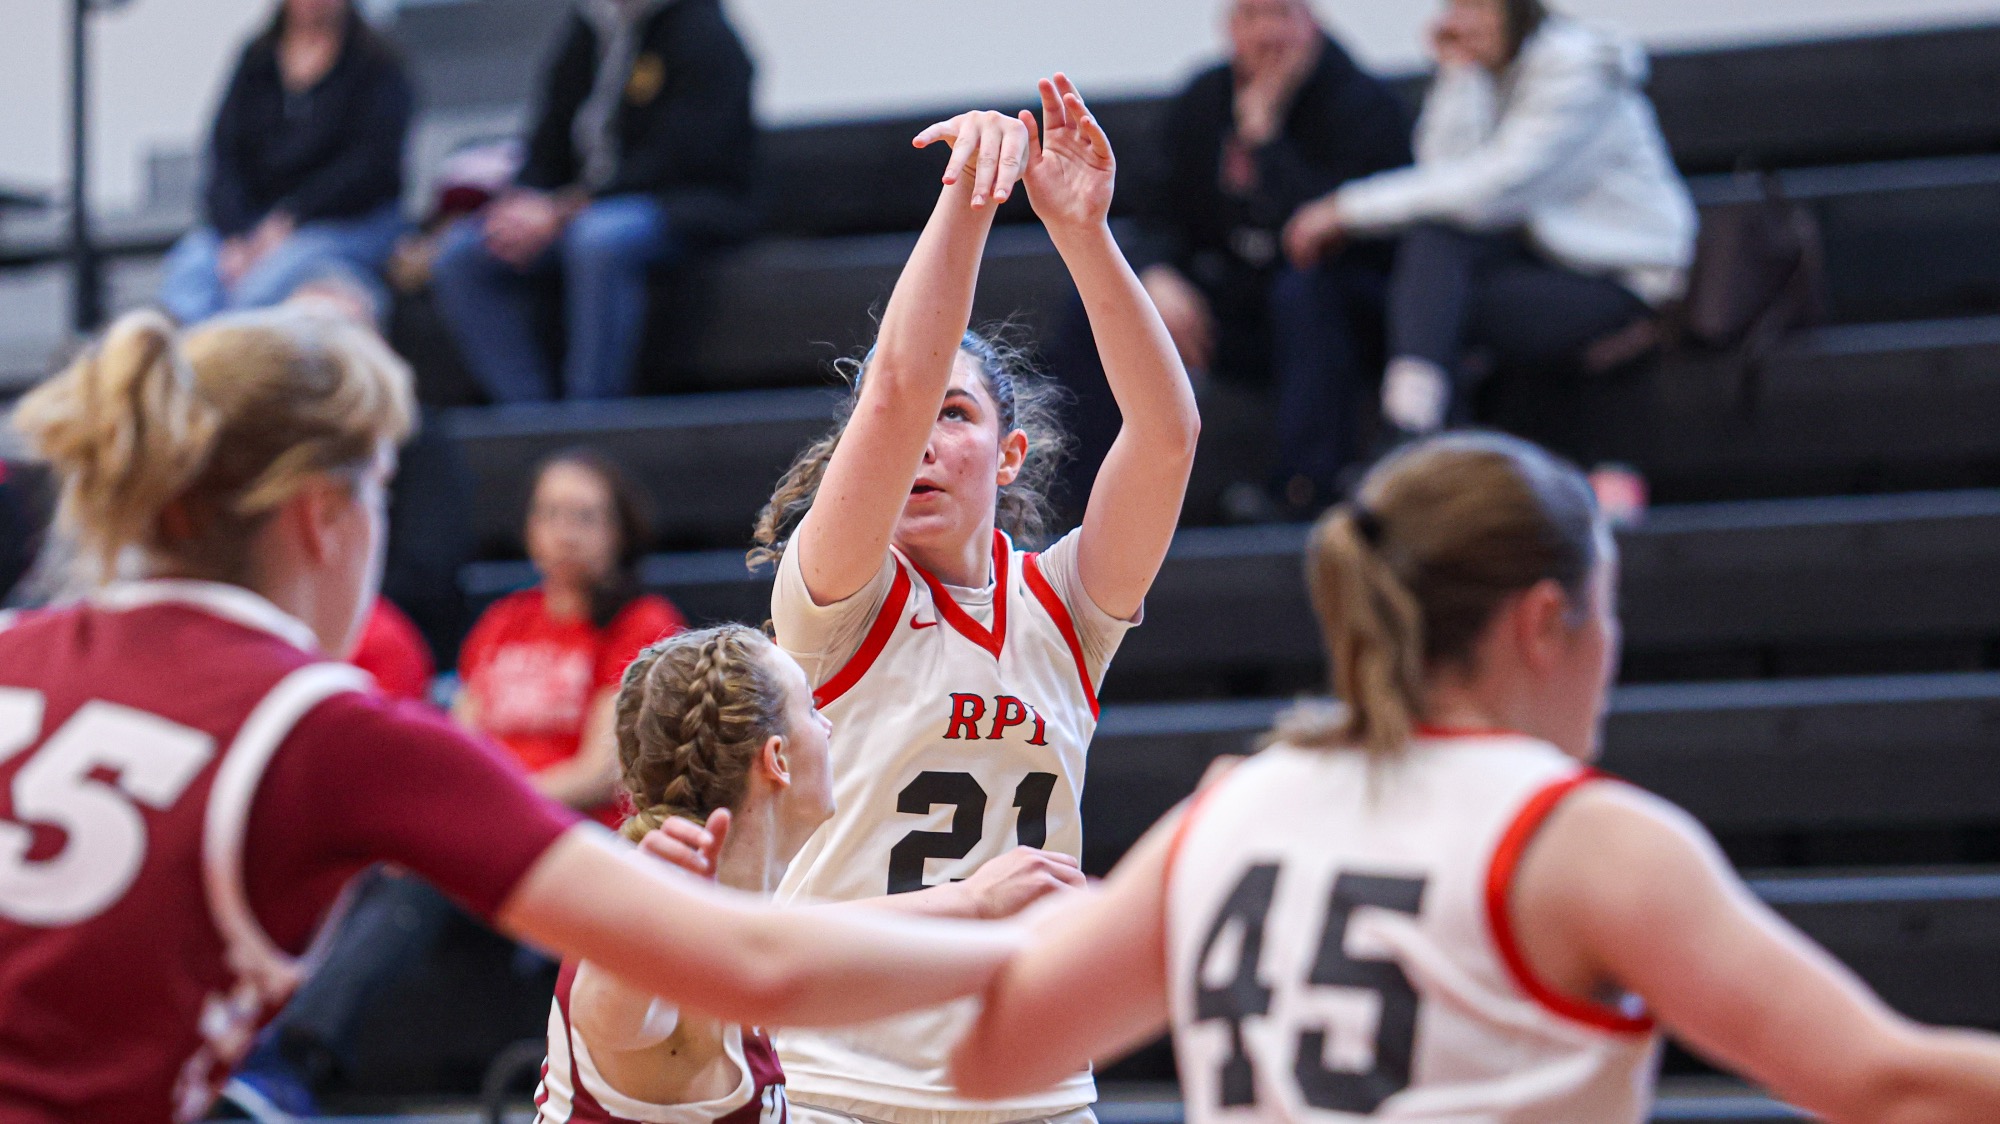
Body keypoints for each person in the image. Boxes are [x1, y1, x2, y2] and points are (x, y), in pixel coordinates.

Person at [0, 306, 1025, 1124]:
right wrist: (1069, 940)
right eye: (385, 493)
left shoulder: (14, 648)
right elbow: (751, 959)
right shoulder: (319, 727)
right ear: (326, 514)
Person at [949, 431, 2000, 1122]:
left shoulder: (1230, 805)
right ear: (1545, 621)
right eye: (1606, 607)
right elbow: (1883, 1081)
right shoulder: (1581, 840)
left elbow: (995, 1055)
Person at [748, 76, 1200, 1124]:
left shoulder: (1065, 605)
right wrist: (969, 193)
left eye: (958, 415)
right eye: (903, 419)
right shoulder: (835, 596)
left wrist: (1082, 231)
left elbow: (1167, 435)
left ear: (1008, 454)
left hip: (1032, 1084)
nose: (918, 435)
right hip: (839, 1078)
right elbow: (899, 380)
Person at [539, 624, 1084, 1124]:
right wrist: (641, 937)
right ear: (777, 759)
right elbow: (611, 1014)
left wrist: (975, 901)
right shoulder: (659, 935)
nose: (828, 726)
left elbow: (809, 940)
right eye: (814, 707)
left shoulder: (747, 934)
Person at [1285, 0, 1696, 464]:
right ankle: (1418, 430)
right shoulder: (1489, 71)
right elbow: (1441, 173)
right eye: (1455, 8)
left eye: (1479, 7)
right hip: (1543, 260)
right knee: (1431, 261)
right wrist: (1458, 77)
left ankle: (1418, 439)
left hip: (1622, 279)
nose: (1462, 22)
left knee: (1432, 307)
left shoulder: (1577, 71)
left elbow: (1492, 190)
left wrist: (1345, 209)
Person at [1050, 0, 1409, 519]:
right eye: (1251, 17)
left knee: (1305, 292)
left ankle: (1302, 492)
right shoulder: (1204, 97)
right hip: (1227, 310)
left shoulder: (1364, 104)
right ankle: (1077, 505)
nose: (1267, 34)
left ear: (1312, 21)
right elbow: (1150, 209)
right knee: (1101, 306)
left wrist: (1263, 139)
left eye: (1280, 15)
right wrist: (1156, 275)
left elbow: (1323, 233)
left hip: (1335, 315)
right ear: (1230, 29)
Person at [429, 0, 757, 402]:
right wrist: (522, 203)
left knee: (600, 238)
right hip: (579, 208)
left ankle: (593, 412)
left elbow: (678, 161)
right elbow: (545, 140)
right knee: (462, 254)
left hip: (685, 205)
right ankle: (528, 416)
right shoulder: (588, 29)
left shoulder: (703, 33)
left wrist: (561, 209)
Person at [456, 451, 685, 826]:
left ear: (620, 531)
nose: (566, 534)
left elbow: (602, 773)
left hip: (581, 831)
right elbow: (462, 741)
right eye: (550, 514)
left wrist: (490, 805)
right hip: (488, 820)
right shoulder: (503, 619)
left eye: (585, 517)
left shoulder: (644, 622)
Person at [159, 0, 412, 326]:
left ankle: (235, 364)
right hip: (252, 224)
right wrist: (236, 235)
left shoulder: (377, 62)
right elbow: (225, 157)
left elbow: (371, 168)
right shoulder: (257, 59)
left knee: (264, 287)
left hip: (344, 223)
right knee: (191, 270)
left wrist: (289, 221)